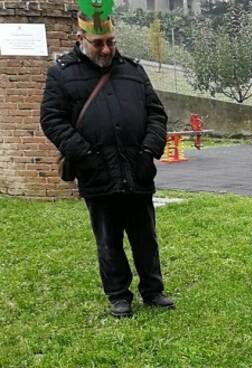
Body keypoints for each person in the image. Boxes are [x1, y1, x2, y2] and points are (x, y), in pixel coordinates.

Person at [40, 9, 174, 318]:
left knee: (145, 237)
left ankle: (153, 290)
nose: (105, 50)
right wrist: (85, 156)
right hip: (96, 173)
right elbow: (52, 120)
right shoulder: (61, 73)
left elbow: (156, 114)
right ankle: (118, 295)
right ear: (80, 38)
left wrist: (147, 152)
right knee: (108, 239)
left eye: (110, 43)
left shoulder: (133, 70)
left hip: (136, 169)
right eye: (99, 43)